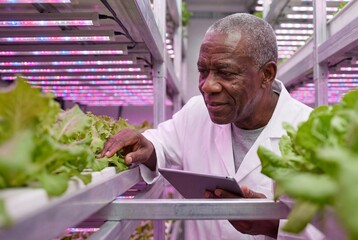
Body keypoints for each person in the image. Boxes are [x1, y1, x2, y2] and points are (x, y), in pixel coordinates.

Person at [99, 13, 323, 240]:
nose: (208, 85)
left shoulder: (313, 133)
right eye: (203, 71)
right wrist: (146, 147)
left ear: (266, 75)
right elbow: (161, 145)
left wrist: (273, 225)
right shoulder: (196, 112)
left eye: (225, 73)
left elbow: (339, 229)